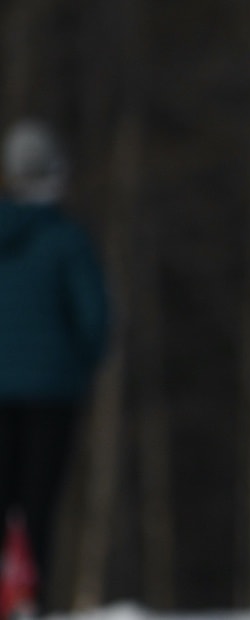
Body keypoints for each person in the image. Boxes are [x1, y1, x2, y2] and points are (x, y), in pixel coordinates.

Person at [0, 118, 110, 616]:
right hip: (51, 394)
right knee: (37, 505)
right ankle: (28, 598)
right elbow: (95, 319)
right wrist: (77, 368)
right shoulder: (67, 240)